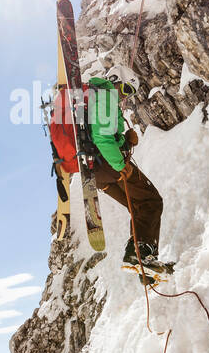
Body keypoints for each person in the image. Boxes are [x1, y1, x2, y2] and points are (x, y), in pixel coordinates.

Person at [50, 71, 173, 280]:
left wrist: (126, 142)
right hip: (107, 164)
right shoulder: (106, 95)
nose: (125, 96)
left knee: (138, 206)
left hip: (94, 172)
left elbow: (99, 134)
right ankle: (141, 257)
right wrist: (120, 164)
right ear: (114, 80)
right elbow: (102, 137)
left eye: (130, 93)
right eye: (126, 88)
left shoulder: (98, 98)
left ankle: (144, 265)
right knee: (151, 201)